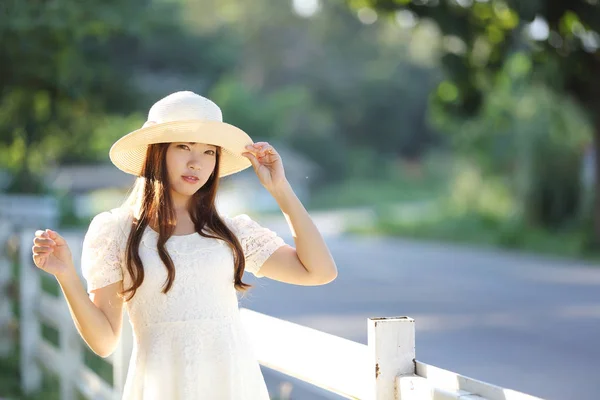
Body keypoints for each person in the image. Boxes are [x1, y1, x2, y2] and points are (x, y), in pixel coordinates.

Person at [31, 91, 338, 399]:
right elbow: (104, 341)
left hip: (233, 385)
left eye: (209, 152)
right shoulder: (116, 231)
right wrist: (66, 275)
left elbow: (320, 272)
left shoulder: (232, 232)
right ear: (157, 152)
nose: (196, 163)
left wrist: (279, 188)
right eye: (183, 147)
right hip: (159, 387)